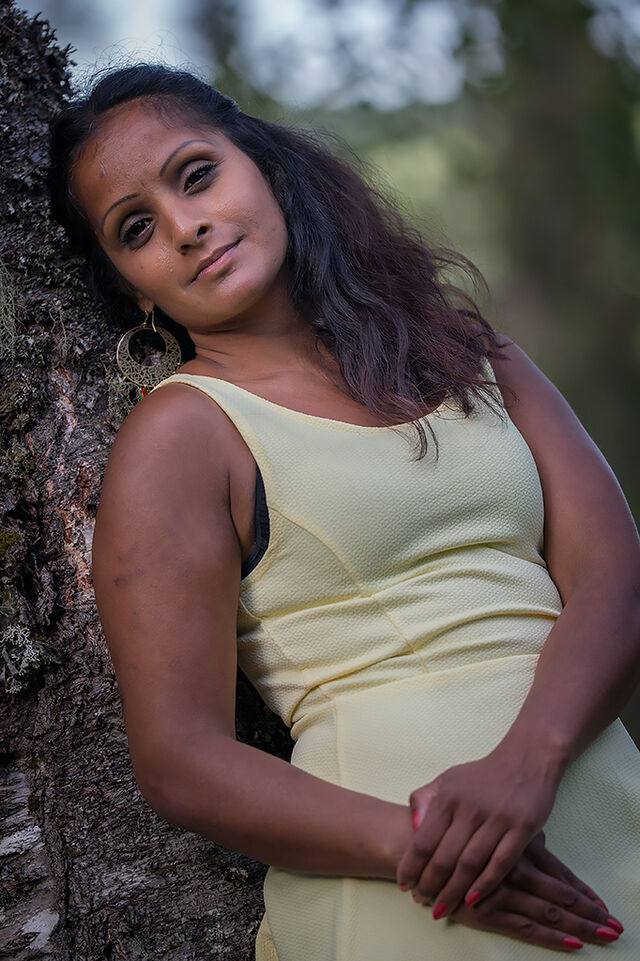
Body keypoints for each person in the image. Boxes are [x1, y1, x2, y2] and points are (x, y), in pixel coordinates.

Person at [48, 64, 640, 961]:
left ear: (264, 165)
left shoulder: (469, 352)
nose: (185, 226)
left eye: (197, 174)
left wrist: (529, 762)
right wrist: (431, 853)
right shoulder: (183, 435)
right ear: (132, 285)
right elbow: (178, 758)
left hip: (607, 816)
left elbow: (614, 577)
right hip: (416, 887)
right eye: (136, 228)